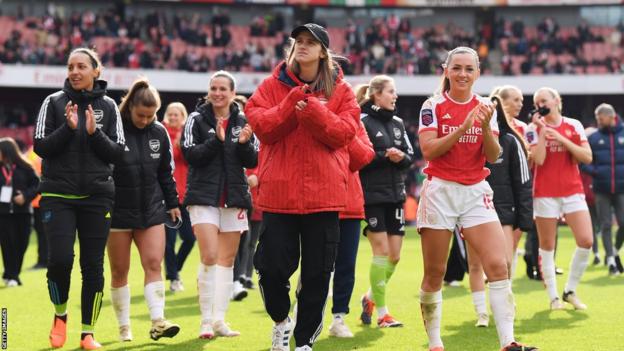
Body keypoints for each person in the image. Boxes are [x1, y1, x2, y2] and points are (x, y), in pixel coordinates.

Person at [245, 23, 359, 351]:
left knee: (317, 275)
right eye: (299, 41)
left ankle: (305, 340)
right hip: (279, 195)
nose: (303, 46)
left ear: (323, 51)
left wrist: (313, 112)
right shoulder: (271, 86)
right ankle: (282, 321)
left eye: (311, 42)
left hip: (325, 196)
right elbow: (263, 128)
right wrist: (291, 102)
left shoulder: (342, 90)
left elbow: (343, 135)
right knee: (269, 269)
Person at [416, 46, 536, 351]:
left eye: (469, 69)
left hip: (475, 191)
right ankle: (435, 343)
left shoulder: (485, 107)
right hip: (441, 190)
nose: (463, 74)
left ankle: (507, 341)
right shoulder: (432, 105)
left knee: (499, 265)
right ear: (446, 70)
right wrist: (464, 127)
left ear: (478, 73)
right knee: (435, 272)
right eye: (457, 68)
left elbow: (494, 155)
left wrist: (483, 126)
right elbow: (429, 150)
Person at [34, 47, 125, 350]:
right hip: (57, 193)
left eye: (81, 66)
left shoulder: (110, 106)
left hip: (97, 196)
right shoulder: (53, 102)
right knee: (60, 260)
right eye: (70, 66)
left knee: (93, 266)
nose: (74, 72)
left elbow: (117, 153)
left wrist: (94, 133)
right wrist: (68, 129)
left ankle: (88, 333)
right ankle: (60, 316)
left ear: (96, 71)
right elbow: (40, 147)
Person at [181, 70, 258, 339]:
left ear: (232, 92)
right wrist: (217, 140)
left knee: (227, 262)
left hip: (234, 198)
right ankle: (204, 321)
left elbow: (252, 160)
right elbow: (190, 154)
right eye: (213, 87)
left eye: (222, 88)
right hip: (203, 197)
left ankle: (219, 320)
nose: (217, 93)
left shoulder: (244, 120)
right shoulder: (196, 119)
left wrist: (245, 144)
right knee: (210, 256)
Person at [107, 78, 181, 342]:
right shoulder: (113, 129)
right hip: (117, 211)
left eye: (151, 116)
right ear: (130, 109)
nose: (146, 120)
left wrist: (172, 203)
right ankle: (124, 326)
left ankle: (158, 321)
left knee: (153, 263)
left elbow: (165, 173)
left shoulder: (159, 132)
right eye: (141, 115)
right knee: (120, 271)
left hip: (151, 209)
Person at [466, 94, 533, 328]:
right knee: (474, 264)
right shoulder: (468, 140)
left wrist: (524, 218)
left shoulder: (511, 141)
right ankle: (481, 313)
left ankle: (504, 303)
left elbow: (523, 181)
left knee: (503, 262)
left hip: (503, 209)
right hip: (472, 206)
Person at [526, 87, 593, 310]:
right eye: (537, 103)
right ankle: (554, 297)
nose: (540, 106)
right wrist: (543, 132)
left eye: (543, 100)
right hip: (545, 192)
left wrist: (562, 139)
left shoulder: (573, 125)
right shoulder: (531, 129)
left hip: (572, 190)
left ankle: (570, 290)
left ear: (556, 101)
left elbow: (587, 157)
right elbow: (540, 161)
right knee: (546, 245)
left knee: (586, 241)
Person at [355, 75, 414, 329]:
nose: (395, 95)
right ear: (376, 94)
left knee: (395, 256)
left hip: (396, 196)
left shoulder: (399, 123)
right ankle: (383, 314)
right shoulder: (362, 121)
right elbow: (358, 157)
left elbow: (410, 157)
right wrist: (383, 155)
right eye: (391, 91)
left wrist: (400, 156)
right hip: (371, 197)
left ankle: (368, 297)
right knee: (381, 253)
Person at [328, 105, 374, 337]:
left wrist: (346, 129)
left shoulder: (356, 121)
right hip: (320, 201)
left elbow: (363, 157)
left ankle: (339, 317)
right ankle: (302, 312)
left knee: (346, 265)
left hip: (350, 203)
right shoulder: (311, 113)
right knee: (314, 264)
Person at [582, 103, 624, 275]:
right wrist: (596, 172)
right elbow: (583, 160)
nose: (598, 121)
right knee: (606, 225)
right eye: (597, 118)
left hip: (621, 188)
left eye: (601, 118)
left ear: (611, 117)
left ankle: (614, 250)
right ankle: (612, 260)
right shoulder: (594, 138)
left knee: (623, 223)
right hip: (601, 188)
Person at [162, 102, 196, 292]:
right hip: (167, 196)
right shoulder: (161, 132)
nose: (173, 117)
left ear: (183, 116)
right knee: (169, 241)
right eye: (171, 114)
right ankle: (174, 278)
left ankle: (174, 270)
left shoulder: (188, 135)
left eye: (177, 114)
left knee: (190, 239)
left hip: (186, 195)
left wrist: (183, 146)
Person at [0, 137, 39, 286]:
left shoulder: (26, 168)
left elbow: (37, 185)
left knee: (22, 243)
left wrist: (25, 196)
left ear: (7, 152)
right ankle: (13, 276)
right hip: (3, 214)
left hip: (23, 212)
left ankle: (11, 273)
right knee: (8, 244)